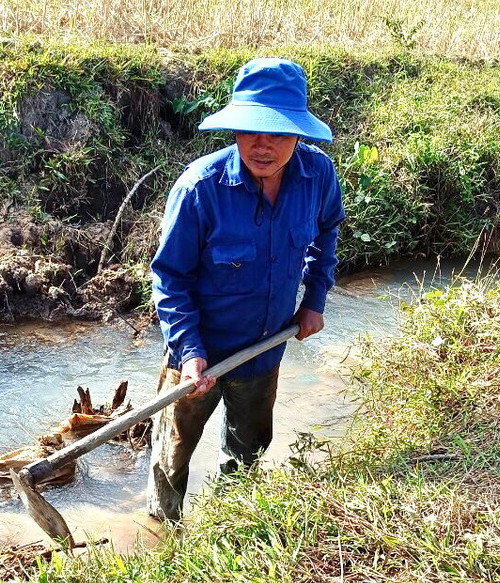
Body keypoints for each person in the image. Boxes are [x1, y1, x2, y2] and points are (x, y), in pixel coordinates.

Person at [146, 58, 345, 521]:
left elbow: (328, 230)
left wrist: (314, 299)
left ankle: (229, 529)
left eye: (277, 132)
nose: (263, 145)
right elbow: (170, 277)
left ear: (299, 134)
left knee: (248, 452)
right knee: (171, 457)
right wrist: (190, 351)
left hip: (264, 350)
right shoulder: (200, 188)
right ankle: (161, 533)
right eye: (251, 130)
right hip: (197, 357)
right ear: (233, 130)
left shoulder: (318, 176)